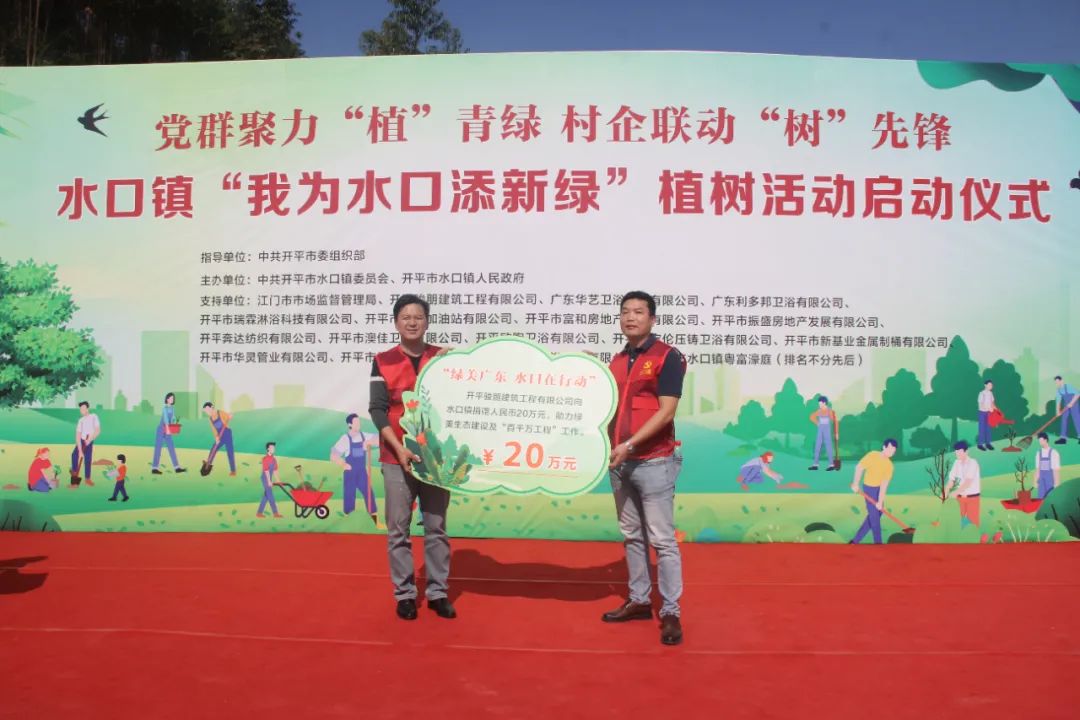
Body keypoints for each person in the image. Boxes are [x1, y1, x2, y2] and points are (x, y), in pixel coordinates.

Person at [601, 291, 687, 646]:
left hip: (654, 461)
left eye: (638, 312)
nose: (630, 317)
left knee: (662, 540)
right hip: (620, 463)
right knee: (632, 535)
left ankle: (671, 612)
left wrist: (631, 445)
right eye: (625, 312)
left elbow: (666, 412)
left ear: (652, 319)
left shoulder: (668, 356)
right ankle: (638, 600)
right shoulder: (617, 360)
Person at [369, 294, 455, 621]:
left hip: (435, 458)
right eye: (406, 317)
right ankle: (404, 594)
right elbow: (377, 410)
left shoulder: (442, 358)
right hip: (396, 457)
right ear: (396, 323)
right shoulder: (383, 361)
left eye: (418, 317)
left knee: (436, 527)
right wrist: (398, 448)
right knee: (398, 530)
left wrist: (457, 365)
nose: (412, 322)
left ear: (427, 322)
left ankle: (438, 593)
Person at [331, 413, 382, 527]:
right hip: (350, 473)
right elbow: (333, 455)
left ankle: (376, 522)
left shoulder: (364, 435)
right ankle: (348, 522)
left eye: (359, 422)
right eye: (356, 422)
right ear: (349, 424)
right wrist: (343, 464)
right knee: (349, 496)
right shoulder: (345, 439)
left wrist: (370, 442)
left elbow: (380, 439)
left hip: (362, 472)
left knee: (369, 493)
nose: (359, 424)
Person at [849, 438, 898, 544]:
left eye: (893, 451)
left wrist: (880, 501)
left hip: (878, 489)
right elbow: (859, 467)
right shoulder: (872, 455)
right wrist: (856, 483)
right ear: (884, 447)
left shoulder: (889, 466)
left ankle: (855, 540)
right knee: (874, 516)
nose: (891, 452)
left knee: (877, 513)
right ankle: (878, 543)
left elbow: (884, 485)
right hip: (869, 488)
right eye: (890, 449)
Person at [946, 441, 981, 527]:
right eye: (956, 452)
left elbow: (968, 482)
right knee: (957, 522)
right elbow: (951, 479)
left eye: (959, 451)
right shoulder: (956, 463)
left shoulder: (973, 463)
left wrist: (955, 492)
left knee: (973, 524)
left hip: (972, 498)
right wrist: (946, 490)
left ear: (966, 451)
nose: (957, 454)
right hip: (959, 498)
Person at [152, 392, 187, 475]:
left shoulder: (172, 408)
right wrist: (168, 428)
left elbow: (173, 418)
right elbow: (165, 419)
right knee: (158, 448)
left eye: (173, 398)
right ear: (167, 399)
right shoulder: (164, 408)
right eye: (170, 398)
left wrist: (174, 423)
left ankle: (177, 467)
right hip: (161, 430)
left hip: (168, 430)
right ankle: (154, 468)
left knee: (171, 448)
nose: (172, 399)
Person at [201, 402, 236, 476]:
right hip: (220, 436)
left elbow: (228, 417)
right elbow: (214, 429)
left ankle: (233, 470)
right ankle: (208, 464)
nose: (207, 412)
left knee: (230, 452)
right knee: (213, 449)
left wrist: (230, 417)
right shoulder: (210, 419)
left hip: (227, 434)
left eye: (208, 410)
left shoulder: (220, 413)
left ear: (212, 407)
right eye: (206, 411)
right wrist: (216, 437)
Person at [71, 400, 100, 487]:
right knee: (74, 456)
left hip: (89, 441)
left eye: (83, 409)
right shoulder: (81, 420)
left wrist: (90, 439)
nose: (82, 410)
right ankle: (74, 477)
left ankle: (87, 479)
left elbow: (97, 430)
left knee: (87, 460)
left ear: (87, 409)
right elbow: (78, 435)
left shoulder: (94, 416)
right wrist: (80, 450)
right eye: (80, 409)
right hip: (81, 441)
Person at [808, 395, 838, 470]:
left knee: (829, 447)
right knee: (817, 446)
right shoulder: (819, 411)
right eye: (819, 404)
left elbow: (835, 422)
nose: (819, 405)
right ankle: (815, 464)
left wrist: (836, 433)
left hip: (827, 431)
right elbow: (811, 416)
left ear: (824, 403)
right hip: (820, 430)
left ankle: (831, 465)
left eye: (820, 403)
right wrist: (817, 423)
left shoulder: (829, 411)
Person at [1033, 432, 1060, 500]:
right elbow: (1037, 469)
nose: (1040, 443)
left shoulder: (1054, 453)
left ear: (1046, 440)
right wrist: (1035, 481)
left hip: (1050, 481)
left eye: (1041, 441)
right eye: (1039, 441)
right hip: (1041, 481)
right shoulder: (1038, 453)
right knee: (1040, 498)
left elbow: (1056, 470)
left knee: (1050, 499)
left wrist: (1057, 483)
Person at [1054, 376, 1080, 444]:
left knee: (1077, 419)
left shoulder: (1068, 387)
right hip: (1066, 405)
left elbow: (1078, 394)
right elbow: (1058, 401)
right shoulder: (1059, 390)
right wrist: (1058, 411)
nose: (1057, 383)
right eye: (1056, 382)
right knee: (1064, 419)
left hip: (1074, 404)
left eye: (1058, 382)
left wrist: (1071, 403)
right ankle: (1063, 438)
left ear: (1062, 381)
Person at [977, 380, 997, 451]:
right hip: (982, 413)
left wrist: (996, 410)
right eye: (989, 385)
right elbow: (980, 404)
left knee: (988, 429)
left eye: (991, 385)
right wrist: (988, 409)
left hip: (989, 413)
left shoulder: (991, 393)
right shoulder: (982, 393)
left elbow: (992, 403)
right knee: (982, 429)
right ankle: (980, 444)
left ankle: (988, 444)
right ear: (985, 385)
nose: (991, 386)